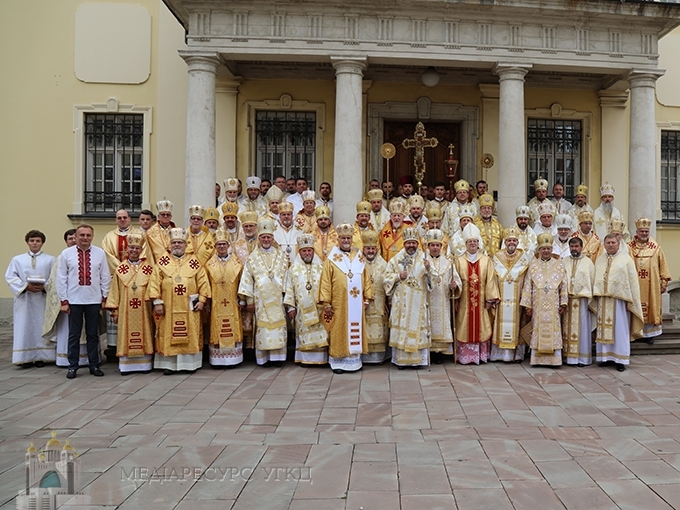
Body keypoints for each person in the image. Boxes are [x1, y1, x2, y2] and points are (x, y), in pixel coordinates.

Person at [147, 227, 210, 375]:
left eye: (180, 243)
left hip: (190, 307)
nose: (177, 245)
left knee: (190, 333)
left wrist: (202, 300)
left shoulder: (194, 262)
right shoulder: (162, 262)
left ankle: (189, 365)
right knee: (168, 332)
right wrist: (157, 302)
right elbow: (154, 283)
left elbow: (203, 282)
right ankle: (169, 365)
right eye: (174, 242)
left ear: (185, 244)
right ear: (170, 244)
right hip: (167, 307)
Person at [57, 224, 111, 379]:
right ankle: (72, 366)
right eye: (82, 235)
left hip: (94, 299)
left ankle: (94, 364)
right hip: (74, 300)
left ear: (92, 237)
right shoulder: (66, 254)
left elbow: (105, 276)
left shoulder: (99, 253)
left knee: (93, 334)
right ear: (76, 236)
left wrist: (105, 297)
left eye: (88, 235)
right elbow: (61, 278)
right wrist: (64, 300)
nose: (85, 238)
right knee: (74, 334)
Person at [318, 223, 373, 373]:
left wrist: (367, 298)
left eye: (348, 238)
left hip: (356, 303)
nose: (346, 241)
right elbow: (325, 282)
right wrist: (327, 303)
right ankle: (338, 362)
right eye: (343, 238)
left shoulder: (359, 257)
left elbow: (366, 278)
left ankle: (354, 362)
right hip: (338, 303)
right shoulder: (331, 259)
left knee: (354, 329)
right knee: (338, 330)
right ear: (338, 240)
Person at [238, 218, 289, 366]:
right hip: (260, 300)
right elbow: (247, 279)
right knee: (264, 329)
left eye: (269, 237)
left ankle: (278, 358)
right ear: (259, 239)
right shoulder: (252, 257)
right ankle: (264, 358)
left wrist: (287, 297)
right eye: (263, 237)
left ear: (273, 238)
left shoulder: (282, 256)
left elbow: (287, 277)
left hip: (278, 299)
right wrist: (248, 300)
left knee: (278, 328)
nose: (266, 239)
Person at [591, 234, 644, 371]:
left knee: (620, 330)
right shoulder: (600, 260)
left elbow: (633, 283)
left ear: (618, 243)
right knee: (602, 330)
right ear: (604, 244)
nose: (610, 245)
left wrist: (630, 301)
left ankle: (620, 359)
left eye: (613, 242)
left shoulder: (626, 260)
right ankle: (604, 358)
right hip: (603, 300)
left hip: (620, 302)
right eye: (608, 242)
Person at [104, 230, 154, 374]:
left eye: (137, 248)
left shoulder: (149, 269)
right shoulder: (120, 269)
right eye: (131, 248)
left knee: (145, 332)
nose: (134, 250)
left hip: (144, 309)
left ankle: (144, 365)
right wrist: (115, 310)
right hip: (125, 310)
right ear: (127, 249)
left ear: (141, 250)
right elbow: (115, 291)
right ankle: (126, 366)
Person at [5, 230, 56, 367]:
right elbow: (10, 277)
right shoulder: (17, 259)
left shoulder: (50, 260)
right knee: (24, 326)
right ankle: (24, 357)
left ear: (42, 243)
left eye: (38, 241)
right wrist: (25, 287)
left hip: (42, 299)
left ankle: (41, 356)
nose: (35, 243)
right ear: (27, 242)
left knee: (41, 326)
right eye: (32, 240)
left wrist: (44, 287)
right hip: (25, 299)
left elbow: (54, 278)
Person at [383, 227, 431, 369]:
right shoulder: (396, 259)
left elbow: (432, 282)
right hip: (402, 303)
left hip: (419, 302)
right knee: (402, 328)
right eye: (408, 243)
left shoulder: (425, 259)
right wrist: (398, 277)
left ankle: (418, 361)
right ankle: (400, 361)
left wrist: (429, 269)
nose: (411, 245)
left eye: (414, 243)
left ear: (417, 243)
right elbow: (385, 279)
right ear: (404, 243)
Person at [453, 224, 499, 364]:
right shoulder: (458, 260)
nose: (472, 244)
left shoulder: (486, 260)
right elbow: (455, 279)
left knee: (482, 326)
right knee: (464, 325)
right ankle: (465, 357)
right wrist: (454, 290)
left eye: (475, 241)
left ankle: (480, 355)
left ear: (479, 243)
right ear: (465, 244)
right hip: (464, 301)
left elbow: (490, 279)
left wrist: (490, 299)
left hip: (481, 302)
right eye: (469, 241)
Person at [520, 233, 568, 366]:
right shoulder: (533, 265)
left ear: (551, 250)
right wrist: (527, 305)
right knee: (538, 327)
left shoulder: (559, 264)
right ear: (539, 250)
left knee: (554, 328)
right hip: (537, 303)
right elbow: (527, 284)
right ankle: (537, 359)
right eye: (543, 249)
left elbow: (564, 284)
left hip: (554, 303)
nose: (546, 251)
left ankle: (554, 360)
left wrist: (563, 302)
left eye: (548, 248)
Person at [43, 229, 89, 367]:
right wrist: (63, 300)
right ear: (66, 241)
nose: (73, 241)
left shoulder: (90, 254)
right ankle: (65, 359)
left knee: (87, 330)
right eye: (70, 238)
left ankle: (85, 358)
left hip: (85, 300)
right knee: (70, 332)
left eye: (75, 238)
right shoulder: (61, 257)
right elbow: (55, 281)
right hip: (67, 303)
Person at [284, 234, 329, 365]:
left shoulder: (322, 267)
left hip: (319, 309)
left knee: (321, 333)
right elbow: (289, 288)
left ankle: (321, 359)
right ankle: (304, 358)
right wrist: (291, 307)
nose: (307, 253)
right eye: (304, 250)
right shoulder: (293, 269)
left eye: (309, 250)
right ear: (300, 252)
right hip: (302, 311)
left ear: (313, 251)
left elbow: (327, 286)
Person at [628, 218, 672, 342]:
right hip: (635, 285)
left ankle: (649, 335)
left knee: (651, 307)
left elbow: (663, 265)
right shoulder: (629, 247)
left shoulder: (656, 248)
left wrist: (664, 282)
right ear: (637, 232)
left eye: (646, 231)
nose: (644, 234)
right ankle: (636, 332)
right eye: (641, 231)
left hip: (651, 285)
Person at [491, 226, 530, 363]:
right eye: (509, 241)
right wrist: (494, 296)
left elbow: (527, 280)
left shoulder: (523, 258)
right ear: (505, 242)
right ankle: (499, 354)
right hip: (502, 299)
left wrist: (525, 298)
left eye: (514, 241)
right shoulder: (497, 257)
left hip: (517, 298)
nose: (511, 243)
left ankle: (517, 354)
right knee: (500, 323)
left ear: (517, 242)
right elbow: (493, 279)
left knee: (517, 323)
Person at [205, 230, 244, 367]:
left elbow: (241, 283)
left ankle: (234, 360)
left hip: (233, 302)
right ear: (215, 247)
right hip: (216, 303)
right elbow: (207, 285)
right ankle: (217, 361)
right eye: (219, 244)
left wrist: (242, 299)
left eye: (224, 244)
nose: (221, 247)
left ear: (228, 245)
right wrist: (207, 303)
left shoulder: (237, 263)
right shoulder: (209, 265)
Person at [424, 229, 461, 364]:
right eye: (432, 245)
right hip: (427, 299)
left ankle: (439, 352)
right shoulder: (423, 261)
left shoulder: (449, 262)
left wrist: (455, 285)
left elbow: (456, 279)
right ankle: (429, 351)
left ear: (441, 246)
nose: (435, 248)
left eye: (437, 245)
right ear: (428, 246)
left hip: (442, 300)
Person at [101, 208, 133, 350]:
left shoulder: (137, 234)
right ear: (115, 220)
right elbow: (107, 255)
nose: (122, 220)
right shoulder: (109, 237)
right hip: (115, 278)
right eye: (119, 218)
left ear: (129, 218)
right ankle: (114, 345)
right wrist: (122, 269)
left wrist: (130, 271)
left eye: (124, 217)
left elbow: (143, 251)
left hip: (134, 279)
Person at [562, 237, 596, 366]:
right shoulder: (564, 262)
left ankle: (582, 358)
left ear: (581, 247)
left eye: (576, 246)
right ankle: (567, 357)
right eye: (572, 247)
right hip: (567, 301)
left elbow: (592, 282)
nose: (574, 249)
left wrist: (590, 301)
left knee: (582, 329)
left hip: (582, 301)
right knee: (566, 329)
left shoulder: (588, 263)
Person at [360, 230, 390, 364]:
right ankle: (363, 356)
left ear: (377, 249)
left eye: (373, 248)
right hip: (362, 305)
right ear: (363, 249)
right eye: (368, 248)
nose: (370, 251)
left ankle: (379, 358)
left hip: (379, 306)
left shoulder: (384, 264)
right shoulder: (357, 263)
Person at [146, 199, 176, 263]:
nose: (165, 216)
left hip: (173, 265)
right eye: (163, 214)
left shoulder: (177, 232)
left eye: (168, 214)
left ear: (171, 217)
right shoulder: (150, 233)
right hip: (157, 265)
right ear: (158, 216)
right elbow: (148, 253)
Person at [474, 194, 503, 258]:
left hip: (495, 260)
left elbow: (502, 244)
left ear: (492, 210)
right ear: (480, 210)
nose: (486, 210)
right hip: (479, 260)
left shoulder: (498, 225)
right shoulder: (474, 225)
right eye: (484, 208)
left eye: (489, 208)